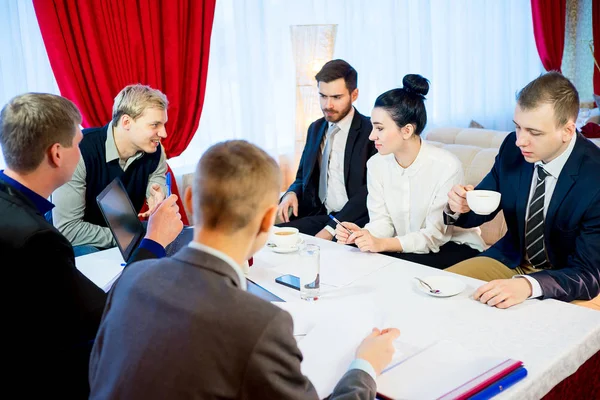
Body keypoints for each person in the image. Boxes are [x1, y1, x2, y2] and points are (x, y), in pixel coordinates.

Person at [89, 140, 400, 399]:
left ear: (189, 199)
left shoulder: (131, 278)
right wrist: (365, 366)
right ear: (268, 220)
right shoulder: (260, 324)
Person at [0, 93, 183, 398]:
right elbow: (112, 314)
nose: (83, 144)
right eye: (77, 140)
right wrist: (151, 241)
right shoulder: (40, 241)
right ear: (57, 154)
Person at [444, 72, 600, 310]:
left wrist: (528, 285)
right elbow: (480, 208)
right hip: (510, 260)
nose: (520, 141)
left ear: (568, 131)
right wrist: (458, 206)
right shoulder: (511, 149)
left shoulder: (595, 176)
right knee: (441, 290)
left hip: (567, 278)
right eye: (517, 127)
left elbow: (588, 274)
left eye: (534, 132)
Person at [335, 75, 485, 269]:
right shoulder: (376, 165)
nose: (372, 136)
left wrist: (382, 244)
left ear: (406, 131)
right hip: (406, 247)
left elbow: (434, 236)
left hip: (454, 246)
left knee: (390, 268)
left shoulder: (446, 166)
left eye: (379, 128)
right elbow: (382, 223)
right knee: (361, 261)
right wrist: (363, 234)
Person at [53, 84, 171, 255]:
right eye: (155, 125)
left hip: (125, 235)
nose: (164, 134)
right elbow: (67, 229)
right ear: (126, 122)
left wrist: (156, 193)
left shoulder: (154, 150)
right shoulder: (79, 151)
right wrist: (129, 238)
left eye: (163, 124)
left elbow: (157, 178)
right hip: (79, 242)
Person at [277, 59, 376, 240]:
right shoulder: (315, 128)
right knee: (273, 235)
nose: (327, 105)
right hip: (319, 214)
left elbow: (370, 191)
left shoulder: (371, 131)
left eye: (336, 97)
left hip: (355, 220)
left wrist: (331, 229)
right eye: (323, 96)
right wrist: (291, 193)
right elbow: (302, 176)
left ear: (354, 95)